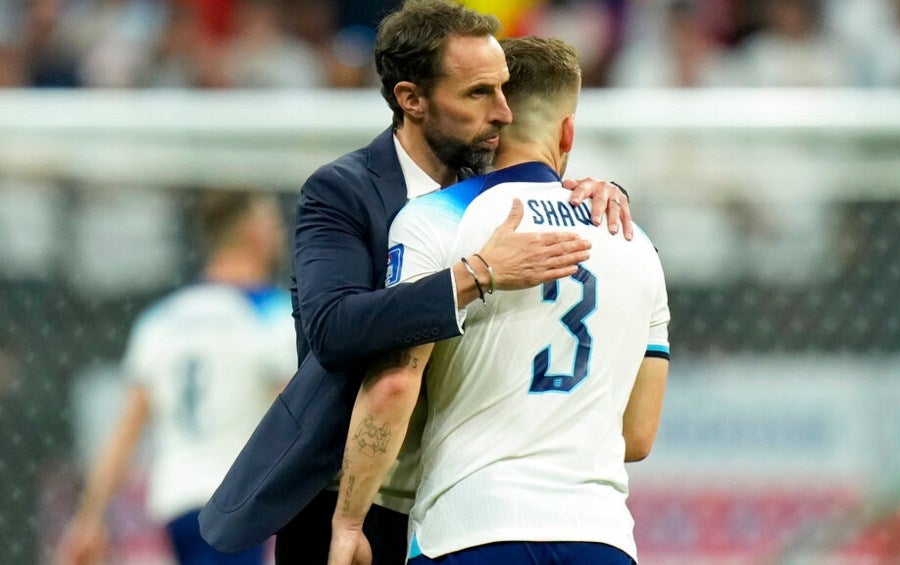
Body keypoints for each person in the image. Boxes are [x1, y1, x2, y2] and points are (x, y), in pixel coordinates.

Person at [199, 1, 633, 562]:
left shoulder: (492, 188)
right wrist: (476, 275)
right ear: (411, 99)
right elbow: (333, 329)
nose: (504, 113)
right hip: (346, 498)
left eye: (503, 90)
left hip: (454, 504)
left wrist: (602, 193)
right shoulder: (343, 192)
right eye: (478, 94)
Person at [328, 36, 671, 565]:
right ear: (568, 131)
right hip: (600, 535)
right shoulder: (634, 240)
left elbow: (396, 384)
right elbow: (638, 435)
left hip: (472, 527)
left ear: (492, 118)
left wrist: (349, 521)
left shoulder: (436, 219)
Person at [58, 190, 296, 565]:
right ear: (254, 232)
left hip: (177, 503)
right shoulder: (274, 316)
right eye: (274, 223)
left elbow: (126, 431)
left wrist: (89, 517)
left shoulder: (161, 320)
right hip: (238, 499)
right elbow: (299, 417)